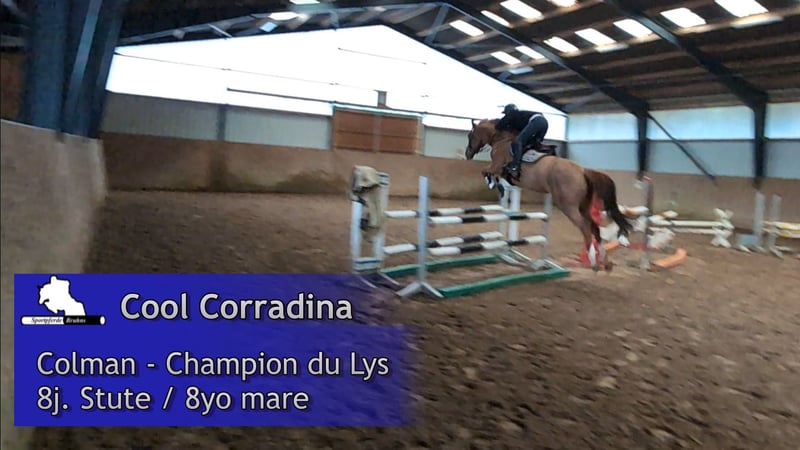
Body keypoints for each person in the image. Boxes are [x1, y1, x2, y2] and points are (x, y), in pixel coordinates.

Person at [495, 103, 550, 179]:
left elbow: (499, 125)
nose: (506, 115)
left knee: (518, 141)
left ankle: (515, 165)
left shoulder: (512, 114)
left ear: (508, 111)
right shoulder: (521, 117)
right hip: (544, 123)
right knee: (530, 143)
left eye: (506, 113)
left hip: (536, 121)